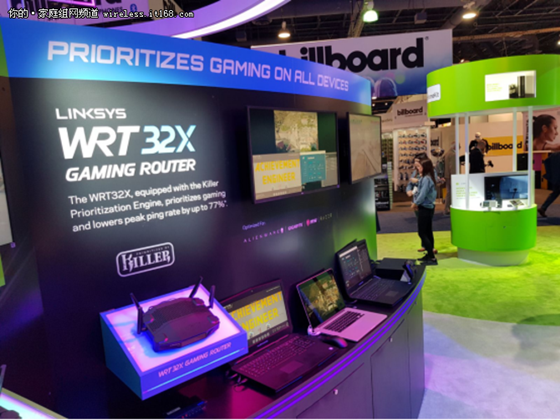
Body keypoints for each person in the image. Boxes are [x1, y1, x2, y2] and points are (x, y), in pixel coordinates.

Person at [407, 153, 441, 254]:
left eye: (418, 164)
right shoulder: (422, 176)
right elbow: (411, 185)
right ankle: (427, 249)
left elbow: (423, 192)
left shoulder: (427, 177)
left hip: (424, 205)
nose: (416, 166)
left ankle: (430, 251)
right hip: (423, 204)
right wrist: (409, 190)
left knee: (423, 231)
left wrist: (415, 203)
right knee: (424, 229)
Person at [412, 158, 438, 265]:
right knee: (427, 232)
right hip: (427, 207)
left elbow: (422, 194)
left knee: (422, 233)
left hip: (425, 207)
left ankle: (431, 257)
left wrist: (416, 203)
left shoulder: (426, 179)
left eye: (419, 166)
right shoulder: (426, 178)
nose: (417, 168)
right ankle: (430, 255)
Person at [539, 152, 560, 217]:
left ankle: (543, 208)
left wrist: (549, 174)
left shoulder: (554, 155)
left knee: (554, 194)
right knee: (554, 194)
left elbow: (546, 162)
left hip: (555, 179)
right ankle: (543, 208)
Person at [444, 144, 456, 215]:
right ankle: (448, 208)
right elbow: (453, 167)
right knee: (451, 192)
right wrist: (454, 177)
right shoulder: (453, 154)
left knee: (449, 192)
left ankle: (447, 208)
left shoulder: (447, 153)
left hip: (447, 175)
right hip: (451, 176)